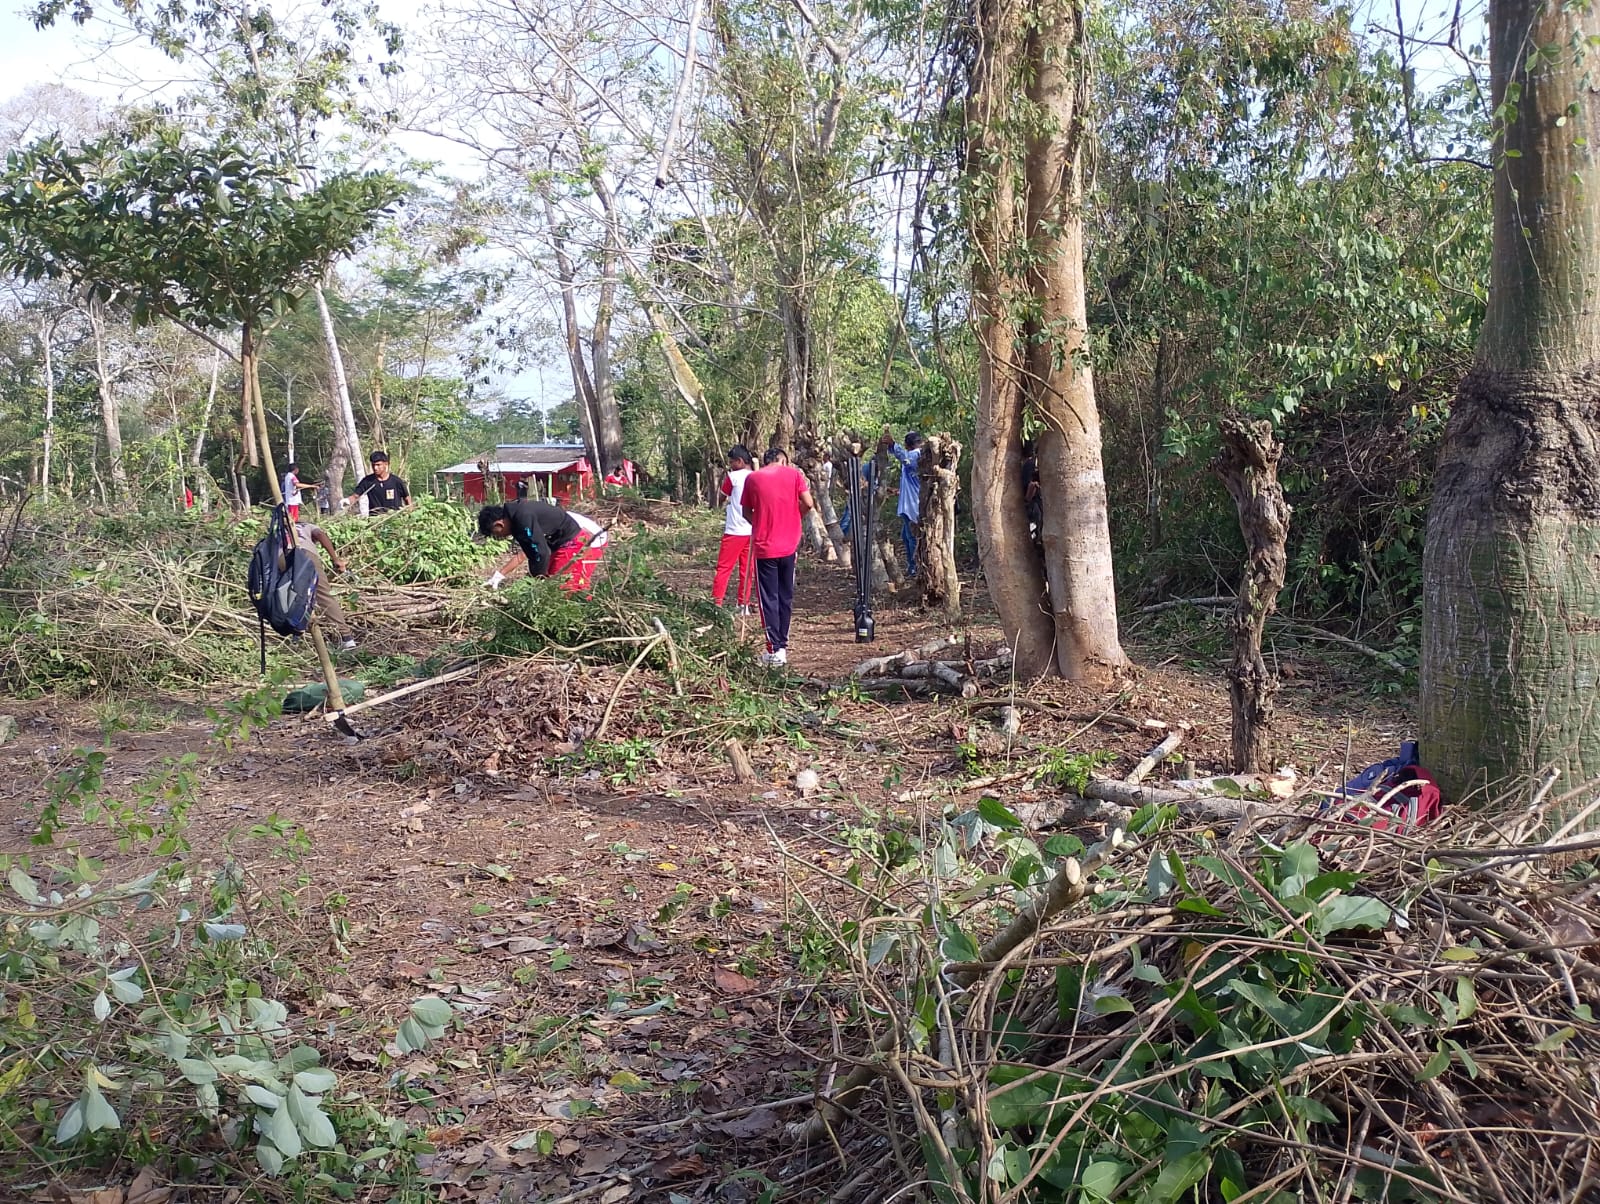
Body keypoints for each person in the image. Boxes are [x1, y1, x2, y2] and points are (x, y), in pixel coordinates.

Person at [741, 447, 815, 667]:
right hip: (789, 546)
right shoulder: (794, 474)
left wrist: (761, 523)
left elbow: (745, 511)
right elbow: (809, 503)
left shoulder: (753, 478)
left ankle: (774, 650)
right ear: (783, 460)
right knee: (785, 596)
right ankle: (782, 645)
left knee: (768, 598)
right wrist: (795, 517)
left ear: (766, 461)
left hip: (765, 546)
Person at [478, 497, 610, 594]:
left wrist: (536, 581)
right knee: (551, 582)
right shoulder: (516, 520)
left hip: (575, 541)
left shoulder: (522, 517)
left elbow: (541, 552)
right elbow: (529, 553)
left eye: (495, 534)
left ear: (498, 525)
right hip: (559, 544)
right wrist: (499, 575)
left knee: (562, 587)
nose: (498, 538)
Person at [293, 520, 358, 650]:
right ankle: (346, 637)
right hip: (305, 554)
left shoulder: (279, 527)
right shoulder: (308, 526)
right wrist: (336, 559)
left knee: (294, 595)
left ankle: (294, 635)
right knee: (324, 595)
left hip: (281, 556)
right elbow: (320, 535)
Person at [712, 445, 758, 615]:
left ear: (739, 461)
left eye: (732, 462)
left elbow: (722, 496)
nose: (730, 465)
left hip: (734, 531)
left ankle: (716, 603)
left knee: (724, 568)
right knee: (747, 569)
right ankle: (743, 604)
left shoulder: (733, 477)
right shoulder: (756, 476)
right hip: (751, 530)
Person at [880, 430, 924, 576]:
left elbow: (905, 458)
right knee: (906, 537)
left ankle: (915, 568)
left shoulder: (916, 454)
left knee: (911, 538)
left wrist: (893, 444)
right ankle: (913, 566)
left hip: (912, 504)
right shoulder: (919, 455)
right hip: (909, 502)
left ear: (907, 445)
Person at [345, 450, 411, 514]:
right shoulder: (368, 481)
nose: (375, 468)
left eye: (378, 465)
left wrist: (410, 513)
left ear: (386, 464)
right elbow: (355, 496)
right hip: (375, 520)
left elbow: (407, 498)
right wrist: (347, 501)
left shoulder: (396, 481)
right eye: (373, 465)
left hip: (394, 519)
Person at [1020, 439, 1043, 548]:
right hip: (1039, 503)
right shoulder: (1035, 462)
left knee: (1033, 531)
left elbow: (1032, 484)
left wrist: (1026, 500)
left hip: (1033, 505)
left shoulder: (1028, 465)